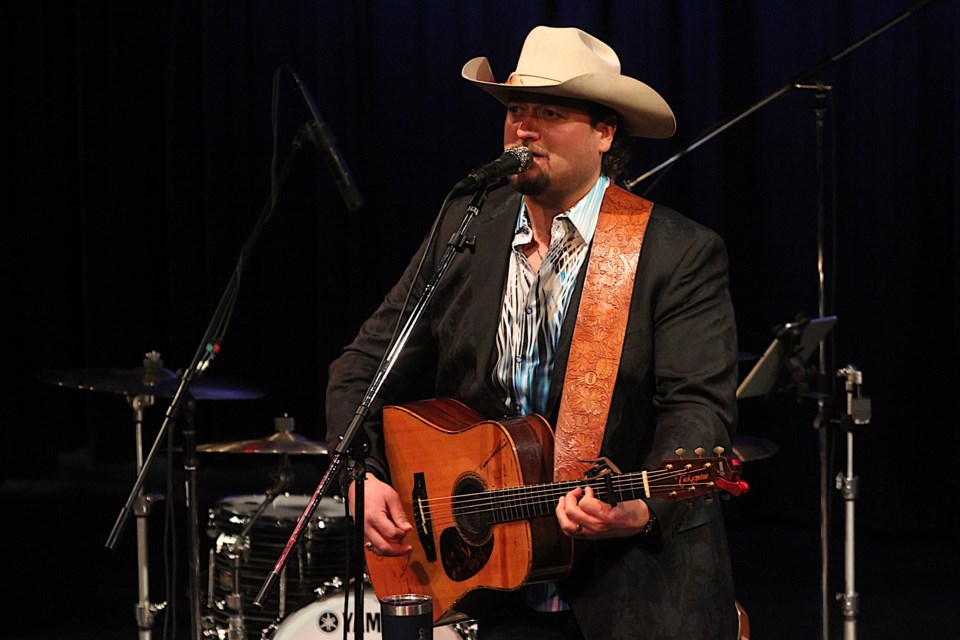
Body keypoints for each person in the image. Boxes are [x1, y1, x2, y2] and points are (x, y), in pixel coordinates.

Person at [326, 25, 741, 640]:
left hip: (634, 591)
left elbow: (698, 409)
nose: (524, 128)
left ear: (605, 133)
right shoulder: (467, 234)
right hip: (493, 590)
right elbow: (363, 364)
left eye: (550, 112)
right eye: (517, 110)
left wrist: (638, 505)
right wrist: (363, 477)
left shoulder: (676, 252)